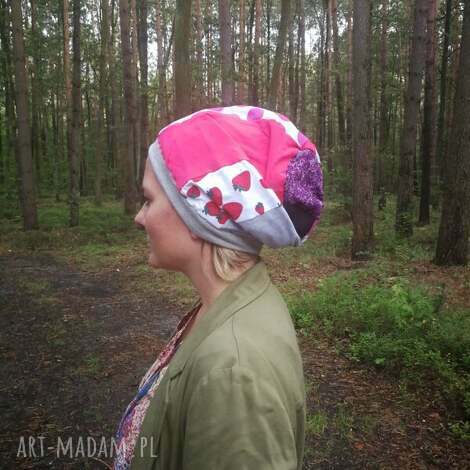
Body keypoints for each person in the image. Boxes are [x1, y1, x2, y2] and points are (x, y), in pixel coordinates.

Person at [114, 106, 323, 470]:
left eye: (149, 200)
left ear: (200, 213)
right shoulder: (228, 302)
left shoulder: (233, 370)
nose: (139, 218)